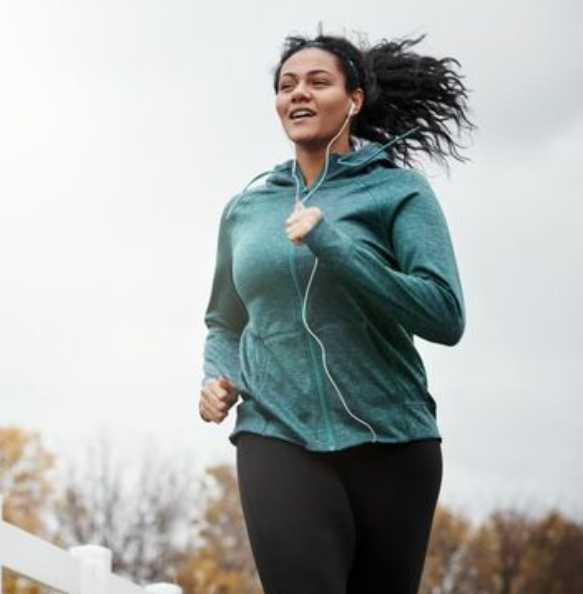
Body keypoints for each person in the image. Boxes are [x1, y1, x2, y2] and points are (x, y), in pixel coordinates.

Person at [198, 31, 473, 594]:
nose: (298, 94)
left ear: (354, 100)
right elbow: (225, 321)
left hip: (392, 441)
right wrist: (215, 377)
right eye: (286, 85)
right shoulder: (246, 209)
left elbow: (445, 316)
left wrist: (337, 247)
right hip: (276, 429)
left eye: (318, 82)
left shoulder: (398, 193)